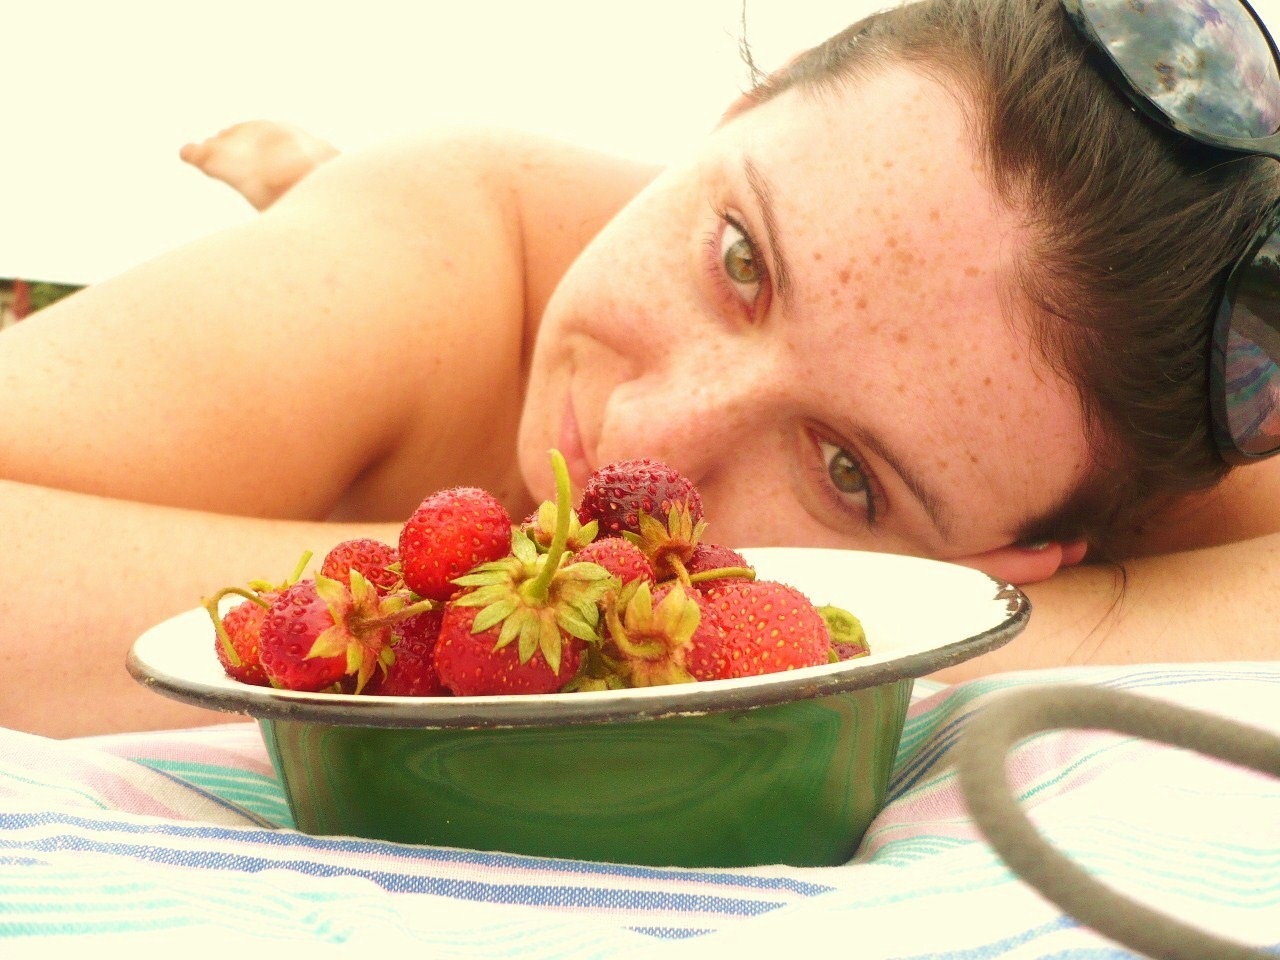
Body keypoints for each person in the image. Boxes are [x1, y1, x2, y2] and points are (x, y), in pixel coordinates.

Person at [2, 0, 1278, 738]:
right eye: (739, 258)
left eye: (846, 473)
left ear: (1013, 557)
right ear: (741, 110)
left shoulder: (1115, 434)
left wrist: (940, 638)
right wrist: (499, 597)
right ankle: (295, 177)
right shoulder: (449, 241)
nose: (643, 435)